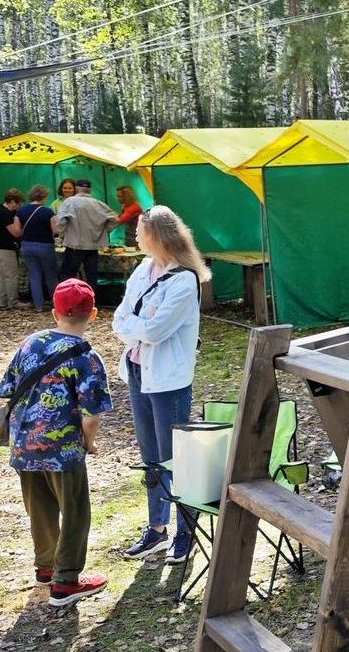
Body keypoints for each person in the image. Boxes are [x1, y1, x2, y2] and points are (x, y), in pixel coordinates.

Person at [0, 277, 112, 606]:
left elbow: (7, 389)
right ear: (93, 315)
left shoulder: (30, 344)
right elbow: (91, 416)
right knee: (75, 512)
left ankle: (46, 568)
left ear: (54, 313)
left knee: (40, 508)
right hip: (63, 452)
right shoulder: (88, 358)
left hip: (24, 445)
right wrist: (88, 443)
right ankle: (66, 583)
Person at [112, 205, 208, 566]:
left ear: (156, 235)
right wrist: (139, 325)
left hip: (169, 381)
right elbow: (119, 318)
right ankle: (157, 528)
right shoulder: (144, 268)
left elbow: (154, 330)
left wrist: (137, 325)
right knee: (151, 457)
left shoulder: (184, 280)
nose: (136, 236)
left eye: (140, 231)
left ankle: (186, 530)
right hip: (138, 371)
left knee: (175, 457)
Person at [53, 179, 118, 288]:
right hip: (92, 247)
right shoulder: (97, 203)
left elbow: (61, 222)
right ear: (90, 190)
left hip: (74, 246)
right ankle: (91, 298)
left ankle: (69, 298)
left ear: (76, 188)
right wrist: (103, 231)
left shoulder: (69, 202)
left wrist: (62, 233)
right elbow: (115, 219)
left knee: (67, 278)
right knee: (91, 277)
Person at [15, 186, 58, 310]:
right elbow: (55, 231)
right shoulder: (48, 211)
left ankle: (38, 306)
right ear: (44, 196)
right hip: (45, 246)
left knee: (34, 276)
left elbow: (17, 232)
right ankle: (57, 305)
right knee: (51, 276)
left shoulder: (21, 211)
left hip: (27, 245)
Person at [0, 189, 24, 309]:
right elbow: (15, 233)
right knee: (11, 276)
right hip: (6, 248)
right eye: (19, 203)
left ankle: (2, 301)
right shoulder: (6, 214)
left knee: (2, 276)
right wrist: (23, 228)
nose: (19, 206)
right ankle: (13, 302)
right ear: (13, 202)